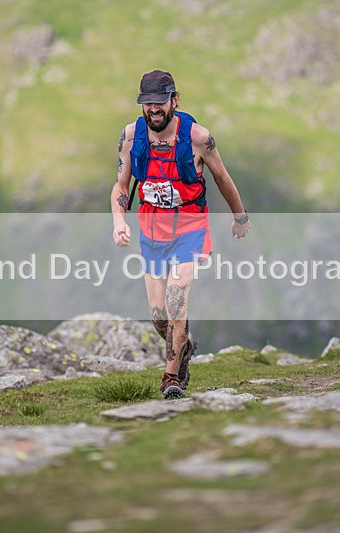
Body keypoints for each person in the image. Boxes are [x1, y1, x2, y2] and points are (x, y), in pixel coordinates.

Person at [110, 69, 251, 399]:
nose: (154, 110)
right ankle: (183, 347)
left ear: (175, 100)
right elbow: (120, 186)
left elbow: (222, 178)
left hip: (190, 229)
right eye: (148, 104)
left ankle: (171, 376)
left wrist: (240, 217)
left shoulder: (199, 138)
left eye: (160, 102)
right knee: (159, 317)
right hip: (151, 231)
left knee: (176, 305)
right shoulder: (131, 137)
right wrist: (119, 220)